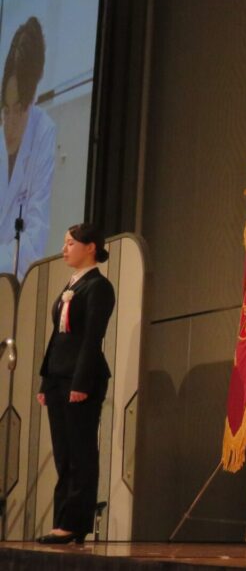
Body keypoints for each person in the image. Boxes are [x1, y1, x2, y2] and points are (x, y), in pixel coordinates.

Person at [35, 223, 114, 544]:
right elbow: (58, 337)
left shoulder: (98, 286)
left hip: (81, 379)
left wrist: (80, 383)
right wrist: (45, 380)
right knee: (64, 454)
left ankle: (74, 523)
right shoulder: (72, 284)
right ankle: (63, 521)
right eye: (65, 243)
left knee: (81, 452)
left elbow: (92, 338)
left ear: (90, 247)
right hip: (58, 378)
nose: (64, 249)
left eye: (70, 243)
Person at [0, 16, 56, 278]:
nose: (9, 124)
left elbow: (33, 245)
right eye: (5, 109)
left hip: (12, 287)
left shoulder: (43, 133)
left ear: (32, 101)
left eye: (19, 109)